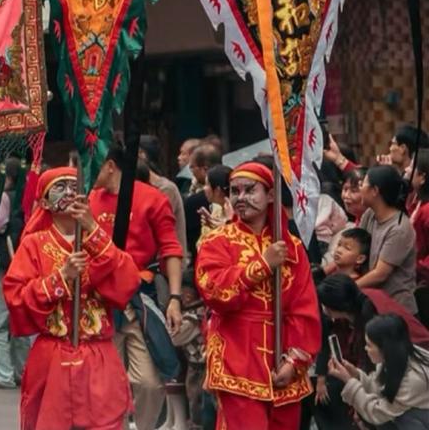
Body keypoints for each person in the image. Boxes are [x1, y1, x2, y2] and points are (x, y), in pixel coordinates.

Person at [3, 166, 139, 429]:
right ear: (44, 202)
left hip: (98, 354)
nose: (68, 192)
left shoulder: (99, 239)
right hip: (53, 355)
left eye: (74, 187)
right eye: (59, 187)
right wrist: (61, 277)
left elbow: (128, 281)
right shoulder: (34, 244)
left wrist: (92, 228)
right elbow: (16, 297)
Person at [194, 161, 320, 429]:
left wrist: (294, 361)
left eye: (250, 190)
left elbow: (304, 309)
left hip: (283, 356)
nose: (241, 198)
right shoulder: (217, 241)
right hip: (236, 353)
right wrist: (262, 265)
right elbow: (213, 291)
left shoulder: (292, 248)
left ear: (271, 195)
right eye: (234, 191)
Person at [90, 142, 184, 430]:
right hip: (97, 304)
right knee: (103, 386)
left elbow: (171, 249)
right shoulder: (89, 200)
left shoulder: (152, 198)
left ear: (110, 166)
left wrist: (175, 298)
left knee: (149, 383)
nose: (86, 172)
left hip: (138, 300)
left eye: (91, 165)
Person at [0, 157, 30, 390]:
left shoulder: (4, 197)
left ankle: (1, 374)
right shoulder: (28, 196)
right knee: (21, 324)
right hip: (24, 266)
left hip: (4, 266)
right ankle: (24, 371)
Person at [329, 313, 429, 427]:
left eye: (369, 345)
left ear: (385, 348)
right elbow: (381, 390)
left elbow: (378, 413)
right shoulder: (396, 357)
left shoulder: (413, 380)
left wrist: (349, 381)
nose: (365, 348)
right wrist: (356, 375)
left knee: (404, 418)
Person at [360, 166, 419, 314]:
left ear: (375, 191)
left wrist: (350, 287)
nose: (360, 188)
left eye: (363, 183)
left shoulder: (399, 228)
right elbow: (355, 244)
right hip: (374, 302)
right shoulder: (370, 214)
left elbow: (380, 274)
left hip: (396, 309)